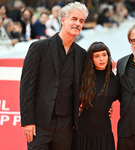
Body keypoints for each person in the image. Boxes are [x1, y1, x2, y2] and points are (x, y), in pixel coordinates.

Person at [20, 2, 89, 150]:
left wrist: (105, 105)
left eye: (81, 21)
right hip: (39, 123)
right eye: (74, 19)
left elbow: (88, 84)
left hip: (66, 125)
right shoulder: (39, 48)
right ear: (63, 20)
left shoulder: (82, 54)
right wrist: (27, 121)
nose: (78, 23)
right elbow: (26, 87)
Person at [72, 41, 120, 150]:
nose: (102, 59)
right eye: (97, 56)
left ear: (108, 56)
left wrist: (109, 106)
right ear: (91, 59)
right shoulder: (83, 78)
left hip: (104, 132)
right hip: (83, 132)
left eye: (104, 55)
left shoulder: (116, 81)